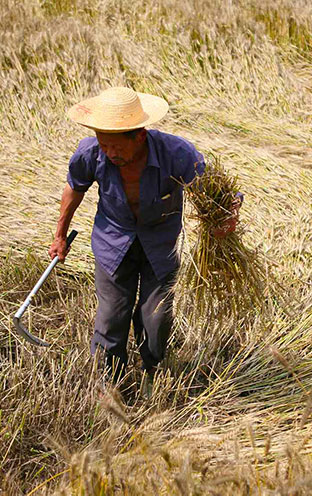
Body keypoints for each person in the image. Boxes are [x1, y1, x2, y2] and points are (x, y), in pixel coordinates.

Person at [49, 87, 240, 396]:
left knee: (157, 319)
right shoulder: (90, 152)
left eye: (117, 146)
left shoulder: (175, 153)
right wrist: (59, 236)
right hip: (113, 242)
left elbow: (218, 195)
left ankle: (154, 376)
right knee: (112, 317)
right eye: (104, 143)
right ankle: (108, 388)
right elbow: (75, 188)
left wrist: (225, 221)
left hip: (160, 245)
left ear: (138, 136)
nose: (110, 152)